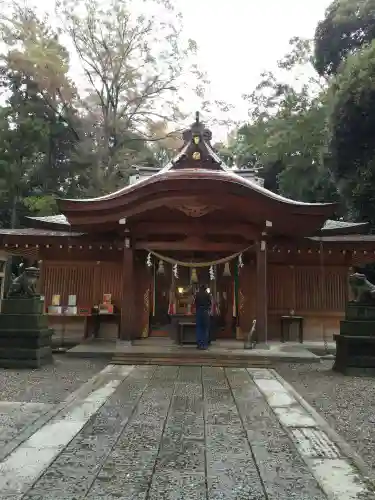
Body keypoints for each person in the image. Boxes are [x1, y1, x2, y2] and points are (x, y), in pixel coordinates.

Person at [194, 284, 212, 350]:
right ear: (205, 289)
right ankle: (205, 345)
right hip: (205, 311)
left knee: (199, 328)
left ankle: (199, 345)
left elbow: (195, 303)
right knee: (205, 328)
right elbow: (210, 304)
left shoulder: (197, 295)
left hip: (199, 311)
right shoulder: (207, 295)